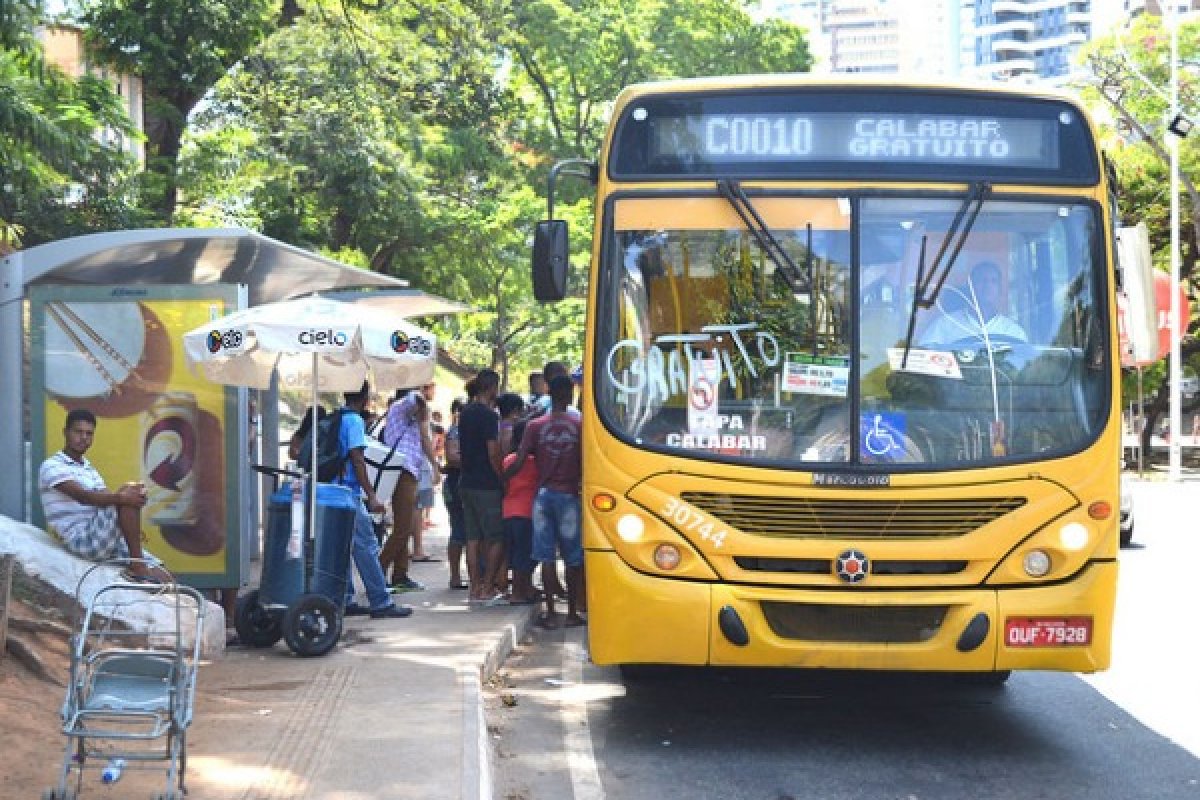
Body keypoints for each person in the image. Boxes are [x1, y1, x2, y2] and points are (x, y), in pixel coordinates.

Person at [38, 409, 164, 581]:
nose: (83, 438)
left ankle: (140, 566)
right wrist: (125, 498)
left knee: (163, 574)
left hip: (101, 535)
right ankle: (137, 566)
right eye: (78, 432)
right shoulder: (52, 466)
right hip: (81, 540)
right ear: (65, 432)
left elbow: (107, 497)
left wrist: (134, 499)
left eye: (89, 434)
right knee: (126, 494)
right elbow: (83, 496)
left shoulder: (88, 468)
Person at [504, 375, 585, 628]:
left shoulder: (535, 426)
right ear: (570, 394)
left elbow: (518, 462)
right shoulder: (580, 425)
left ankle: (551, 613)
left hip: (543, 497)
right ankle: (572, 612)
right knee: (573, 559)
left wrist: (501, 481)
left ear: (550, 394)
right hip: (570, 495)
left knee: (545, 557)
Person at [336, 382, 413, 619]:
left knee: (342, 548)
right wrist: (371, 495)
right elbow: (357, 459)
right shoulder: (355, 421)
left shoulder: (336, 418)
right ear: (365, 398)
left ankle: (346, 597)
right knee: (367, 546)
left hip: (331, 492)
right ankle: (380, 601)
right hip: (349, 492)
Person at [378, 385, 440, 591]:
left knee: (402, 527)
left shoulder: (405, 413)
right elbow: (414, 399)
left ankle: (400, 575)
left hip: (407, 469)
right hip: (403, 469)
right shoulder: (403, 405)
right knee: (403, 529)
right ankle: (378, 571)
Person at [457, 368, 507, 607]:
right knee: (495, 536)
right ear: (492, 388)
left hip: (466, 481)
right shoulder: (489, 417)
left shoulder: (465, 413)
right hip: (487, 483)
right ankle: (487, 586)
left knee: (473, 538)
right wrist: (502, 477)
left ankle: (474, 586)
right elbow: (493, 451)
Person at [920, 260, 1027, 345]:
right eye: (982, 280)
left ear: (1000, 290)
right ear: (970, 287)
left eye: (993, 281)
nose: (987, 286)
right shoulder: (945, 325)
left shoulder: (1013, 332)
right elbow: (925, 354)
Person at [501, 419, 539, 605]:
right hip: (527, 513)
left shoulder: (508, 460)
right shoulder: (535, 462)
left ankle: (524, 588)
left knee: (515, 551)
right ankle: (518, 592)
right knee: (525, 554)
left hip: (508, 511)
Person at [442, 396, 469, 589]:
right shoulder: (455, 432)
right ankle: (455, 576)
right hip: (455, 485)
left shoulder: (463, 431)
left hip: (460, 483)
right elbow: (452, 457)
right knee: (459, 531)